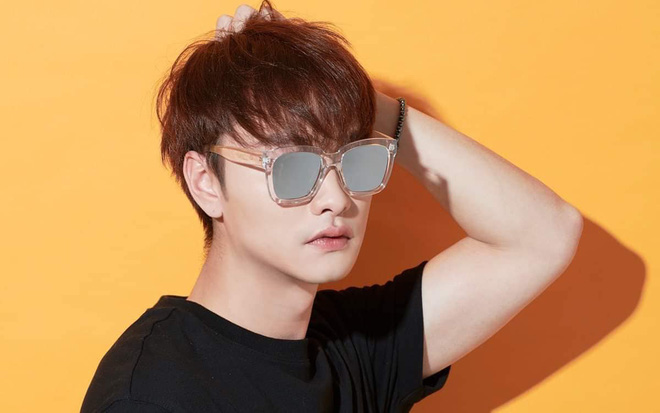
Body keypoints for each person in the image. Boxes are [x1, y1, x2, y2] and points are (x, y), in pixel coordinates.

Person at [81, 1, 583, 412]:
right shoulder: (152, 397)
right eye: (293, 168)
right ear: (205, 182)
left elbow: (544, 235)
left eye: (354, 160)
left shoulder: (352, 347)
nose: (337, 199)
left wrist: (355, 101)